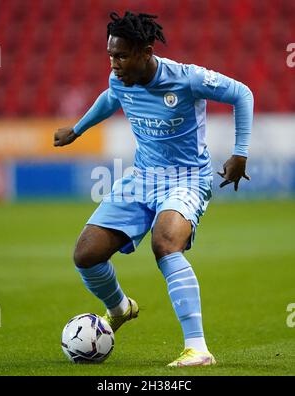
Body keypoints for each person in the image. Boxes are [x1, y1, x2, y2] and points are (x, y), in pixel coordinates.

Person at [54, 11, 253, 367]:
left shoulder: (187, 78)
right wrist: (77, 129)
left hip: (187, 178)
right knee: (86, 254)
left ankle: (197, 349)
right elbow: (110, 98)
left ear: (146, 52)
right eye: (111, 56)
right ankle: (120, 308)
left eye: (122, 56)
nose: (114, 64)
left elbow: (242, 93)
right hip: (142, 178)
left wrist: (240, 153)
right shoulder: (121, 80)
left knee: (165, 243)